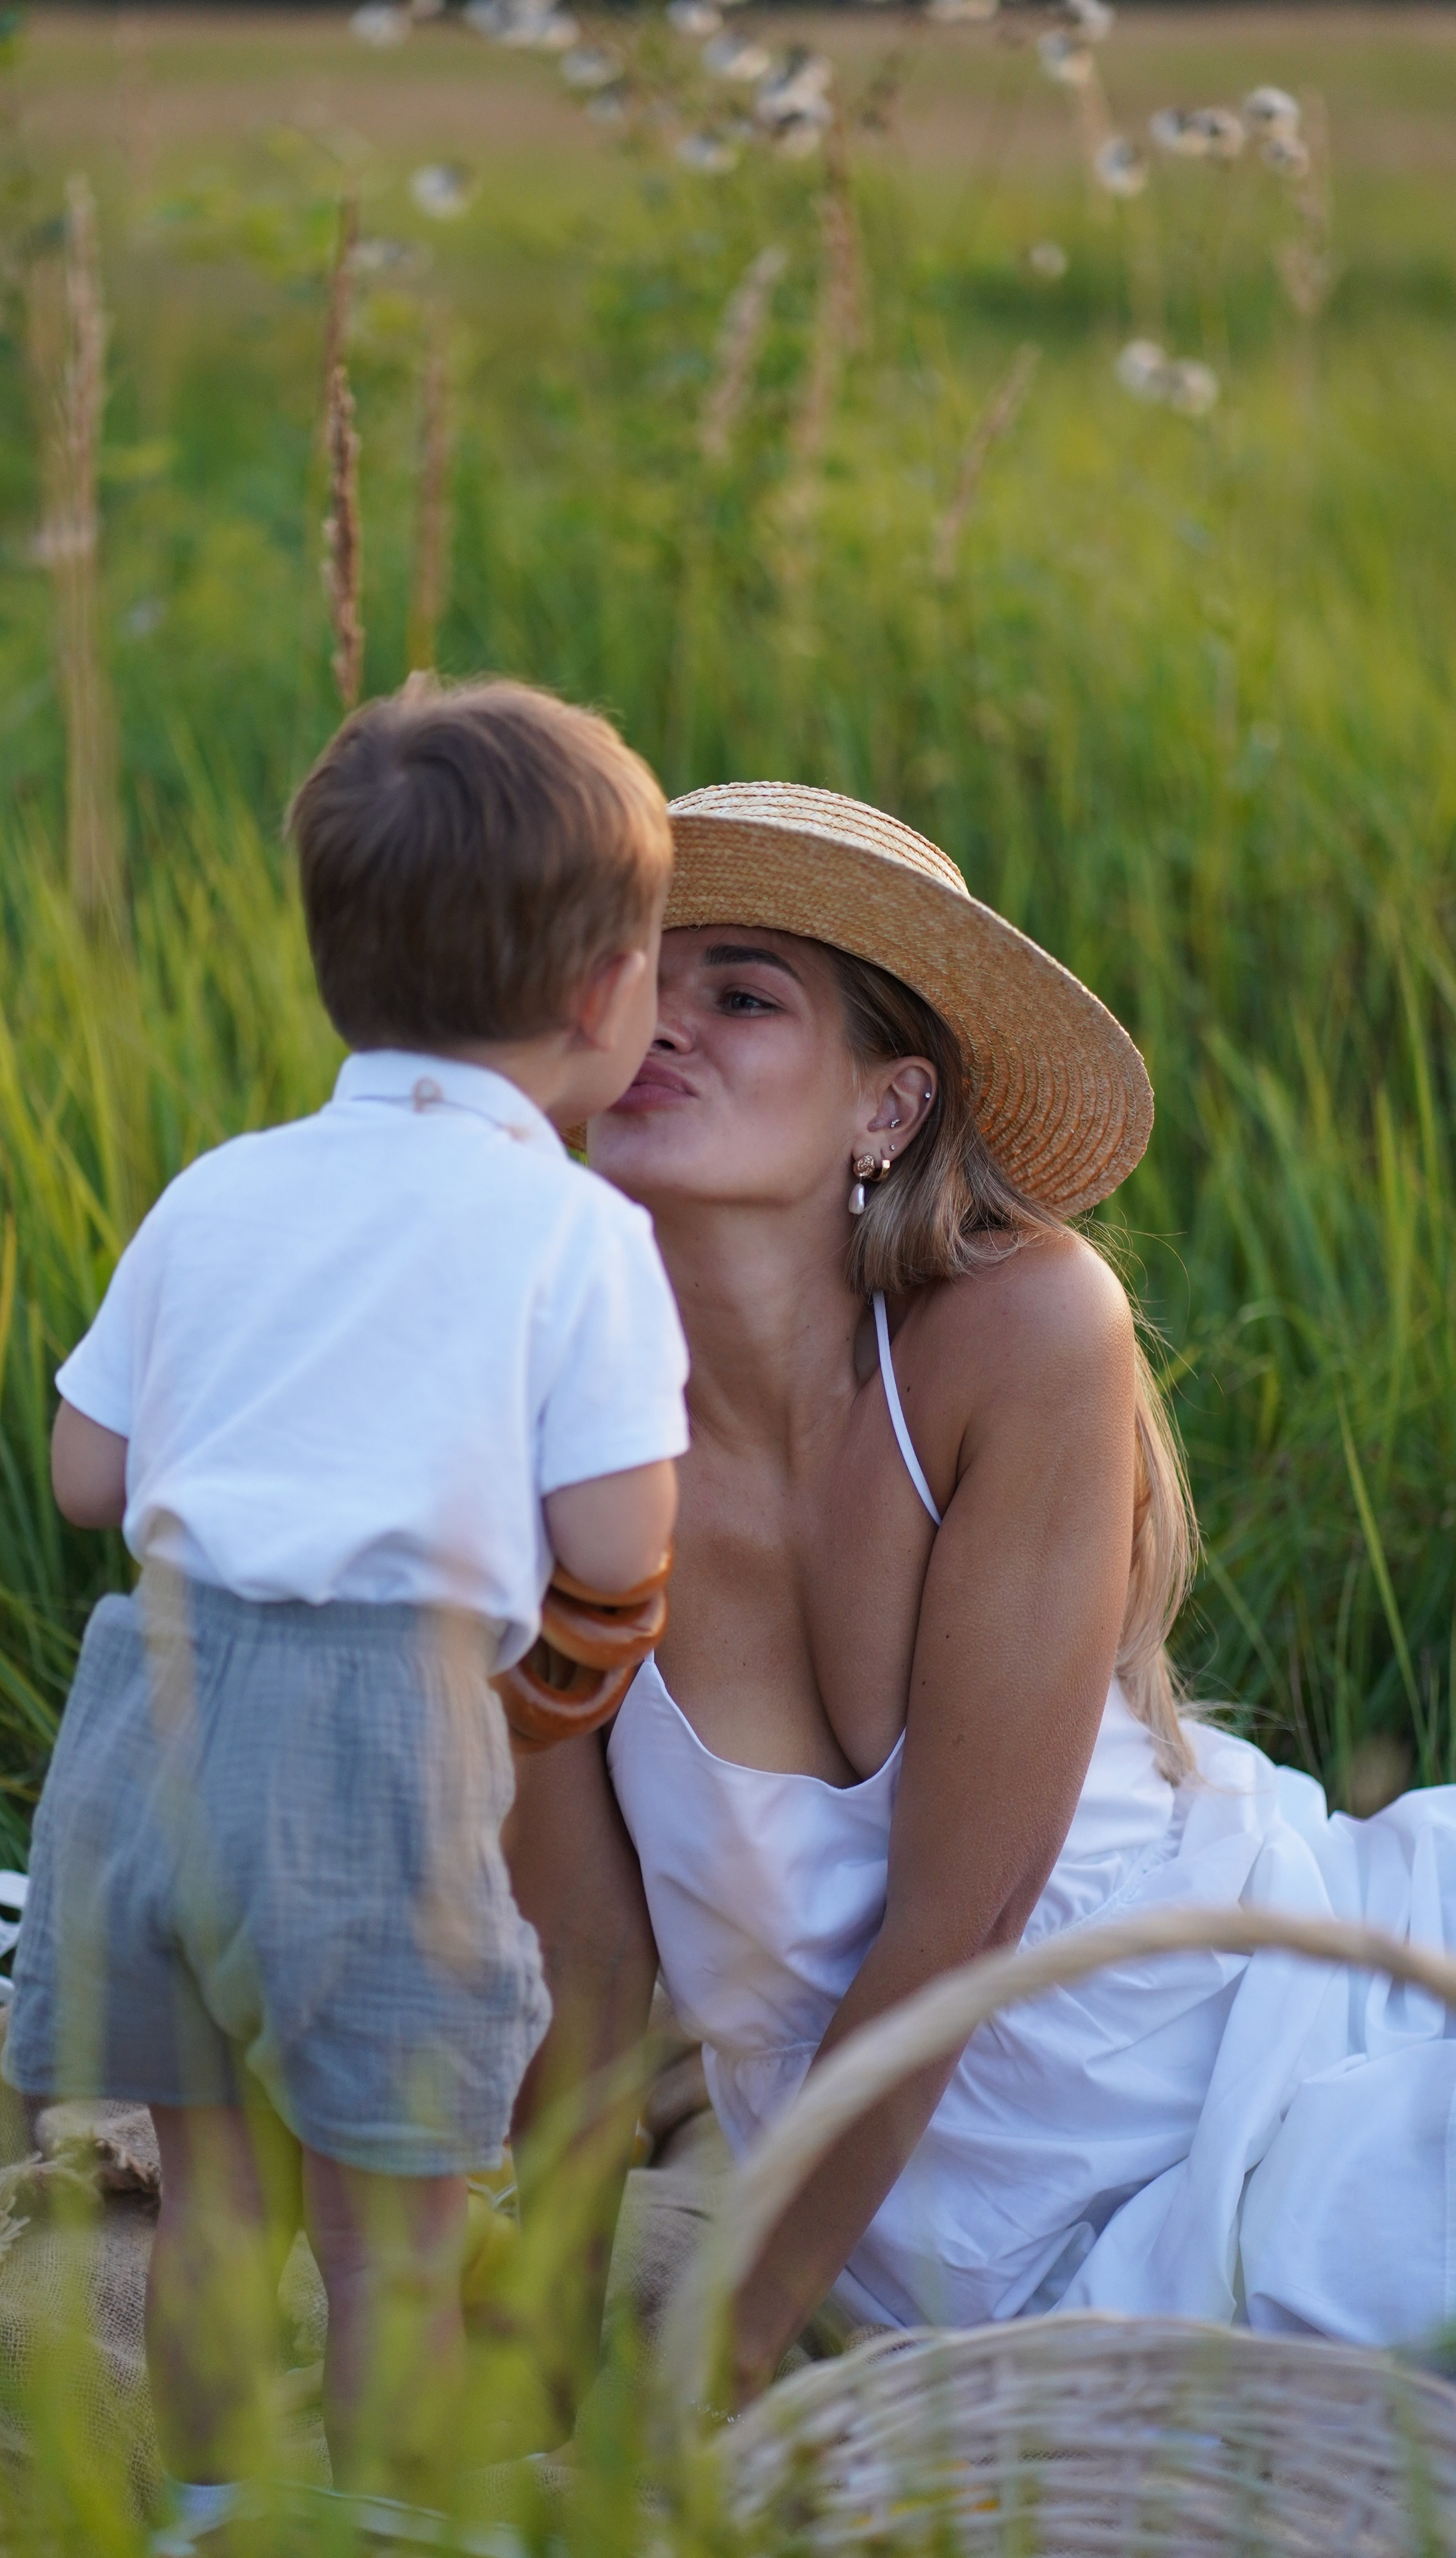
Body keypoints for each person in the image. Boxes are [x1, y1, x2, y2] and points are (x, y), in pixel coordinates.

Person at [506, 779, 1456, 2413]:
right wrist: (529, 2363)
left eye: (740, 994)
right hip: (938, 2245)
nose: (666, 1023)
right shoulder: (537, 1436)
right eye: (639, 982)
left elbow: (963, 1924)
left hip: (1255, 2023)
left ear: (886, 1109)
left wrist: (721, 2343)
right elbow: (586, 1972)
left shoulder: (1018, 1337)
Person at [2, 679, 689, 2539]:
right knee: (392, 2237)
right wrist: (577, 1644)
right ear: (597, 994)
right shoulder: (576, 1235)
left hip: (148, 1713)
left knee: (213, 2198)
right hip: (369, 1736)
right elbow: (620, 1523)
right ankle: (397, 2519)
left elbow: (88, 1471)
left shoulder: (224, 1189)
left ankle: (210, 2508)